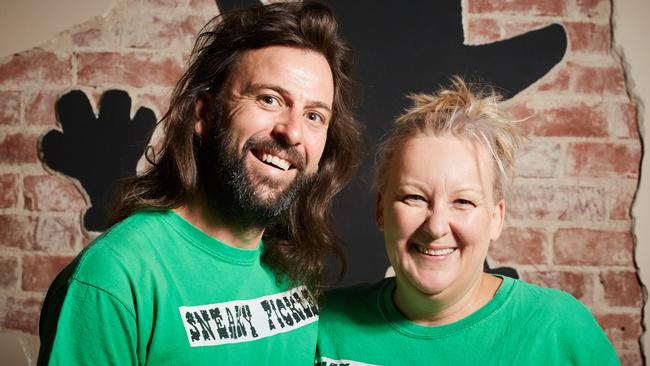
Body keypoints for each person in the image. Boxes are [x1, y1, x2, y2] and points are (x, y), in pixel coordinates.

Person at [38, 2, 363, 365]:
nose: (293, 132)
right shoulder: (114, 278)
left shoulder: (292, 264)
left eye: (314, 115)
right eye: (269, 99)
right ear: (205, 113)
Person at [316, 77, 619, 365]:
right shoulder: (324, 328)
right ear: (381, 210)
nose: (436, 227)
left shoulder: (560, 331)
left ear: (496, 218)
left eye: (463, 201)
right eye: (414, 198)